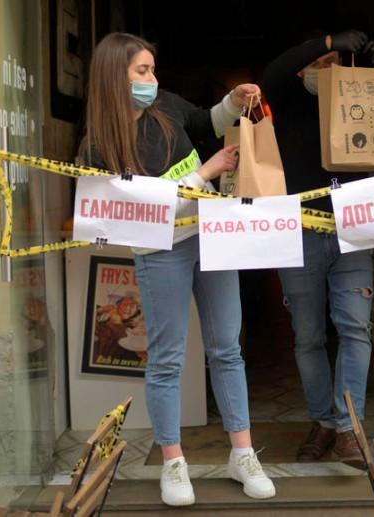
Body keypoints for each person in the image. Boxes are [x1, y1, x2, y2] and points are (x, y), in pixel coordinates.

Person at [80, 32, 275, 505]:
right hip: (160, 250)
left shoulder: (165, 105)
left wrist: (232, 100)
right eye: (141, 72)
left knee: (227, 349)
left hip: (212, 235)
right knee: (166, 359)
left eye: (152, 69)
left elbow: (206, 120)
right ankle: (172, 463)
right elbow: (138, 210)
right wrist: (204, 174)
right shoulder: (98, 146)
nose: (153, 80)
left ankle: (243, 455)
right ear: (113, 78)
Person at [261, 30, 374, 469]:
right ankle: (322, 421)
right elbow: (274, 72)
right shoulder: (286, 101)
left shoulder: (356, 100)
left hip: (353, 231)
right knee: (308, 337)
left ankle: (347, 429)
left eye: (334, 63)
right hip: (299, 231)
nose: (326, 71)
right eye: (319, 64)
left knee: (355, 328)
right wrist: (324, 43)